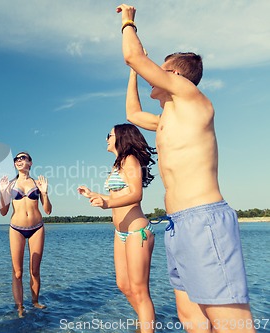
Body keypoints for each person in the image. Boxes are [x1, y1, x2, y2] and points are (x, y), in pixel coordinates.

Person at [116, 4, 255, 333]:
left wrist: (127, 20)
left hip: (204, 218)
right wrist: (136, 73)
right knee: (191, 318)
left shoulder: (193, 99)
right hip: (177, 225)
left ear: (175, 76)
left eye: (160, 70)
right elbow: (133, 114)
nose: (155, 74)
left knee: (232, 325)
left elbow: (134, 56)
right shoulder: (166, 119)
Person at [78, 124, 156, 333]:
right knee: (123, 285)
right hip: (120, 232)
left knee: (140, 291)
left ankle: (146, 327)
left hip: (136, 231)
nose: (106, 139)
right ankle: (145, 324)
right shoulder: (118, 163)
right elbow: (116, 196)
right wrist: (93, 194)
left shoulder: (130, 159)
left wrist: (106, 204)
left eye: (109, 135)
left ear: (121, 137)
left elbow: (136, 194)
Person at [0, 152, 52, 318]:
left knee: (35, 270)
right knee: (18, 272)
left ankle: (35, 301)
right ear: (15, 164)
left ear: (30, 162)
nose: (20, 160)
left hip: (37, 227)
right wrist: (2, 192)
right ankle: (20, 307)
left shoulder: (37, 183)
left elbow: (48, 210)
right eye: (17, 159)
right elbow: (3, 212)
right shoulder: (10, 185)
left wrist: (44, 193)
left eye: (24, 158)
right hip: (16, 228)